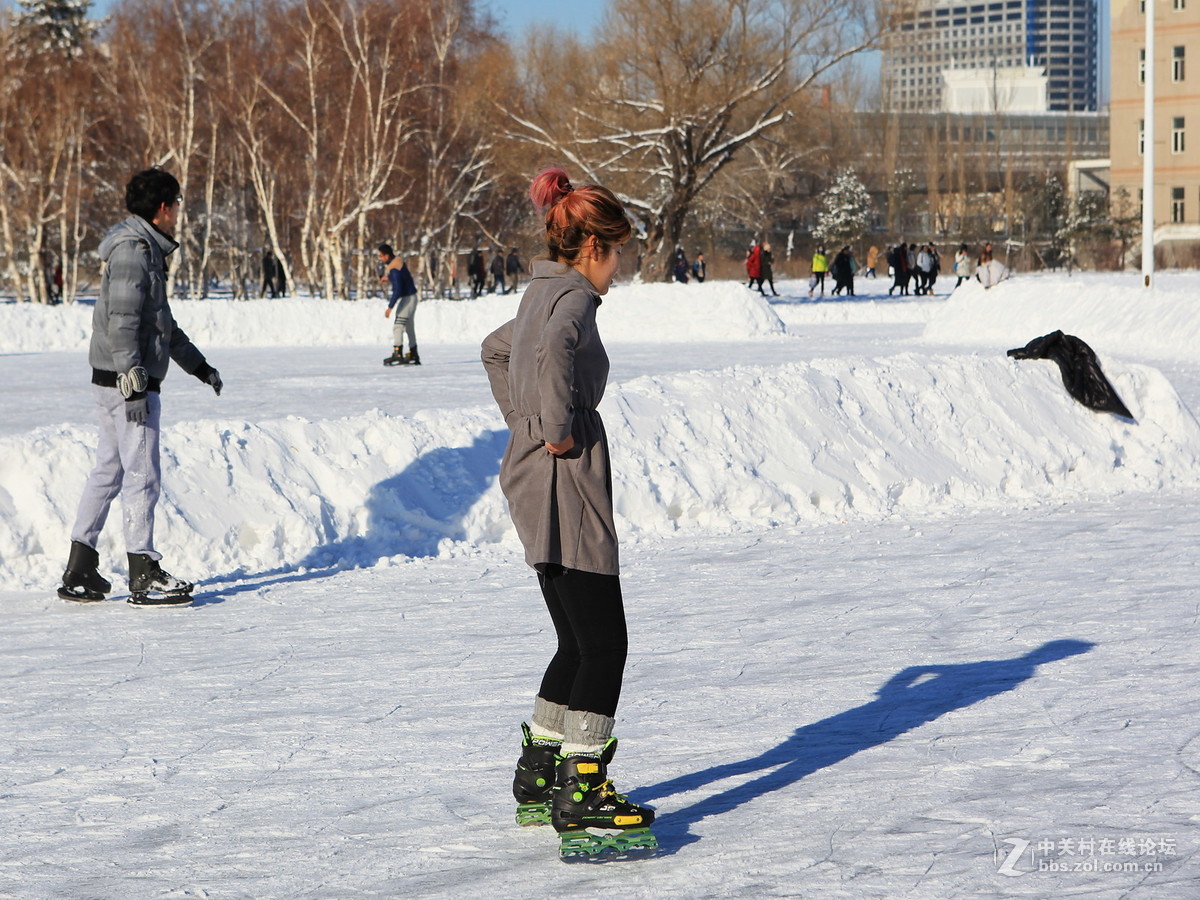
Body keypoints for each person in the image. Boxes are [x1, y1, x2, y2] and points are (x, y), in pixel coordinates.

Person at [480, 167, 657, 858]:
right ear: (594, 249)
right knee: (606, 643)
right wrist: (555, 427)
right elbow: (552, 352)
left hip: (530, 479)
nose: (621, 269)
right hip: (566, 481)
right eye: (620, 254)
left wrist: (521, 423)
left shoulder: (537, 292)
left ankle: (542, 773)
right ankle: (582, 792)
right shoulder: (575, 300)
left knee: (575, 641)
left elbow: (497, 351)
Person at [58, 168, 223, 607]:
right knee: (141, 473)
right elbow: (124, 320)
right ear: (164, 207)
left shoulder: (142, 248)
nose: (178, 213)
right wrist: (133, 374)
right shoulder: (136, 251)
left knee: (109, 470)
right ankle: (143, 571)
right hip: (129, 384)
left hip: (113, 379)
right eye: (178, 204)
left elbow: (160, 325)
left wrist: (198, 366)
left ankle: (81, 568)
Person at [378, 243, 420, 365]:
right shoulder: (397, 263)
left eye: (381, 256)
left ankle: (398, 352)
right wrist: (389, 278)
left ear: (386, 255)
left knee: (398, 326)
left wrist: (390, 307)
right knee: (409, 327)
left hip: (407, 299)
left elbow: (398, 289)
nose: (380, 258)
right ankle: (413, 353)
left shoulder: (394, 268)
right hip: (411, 297)